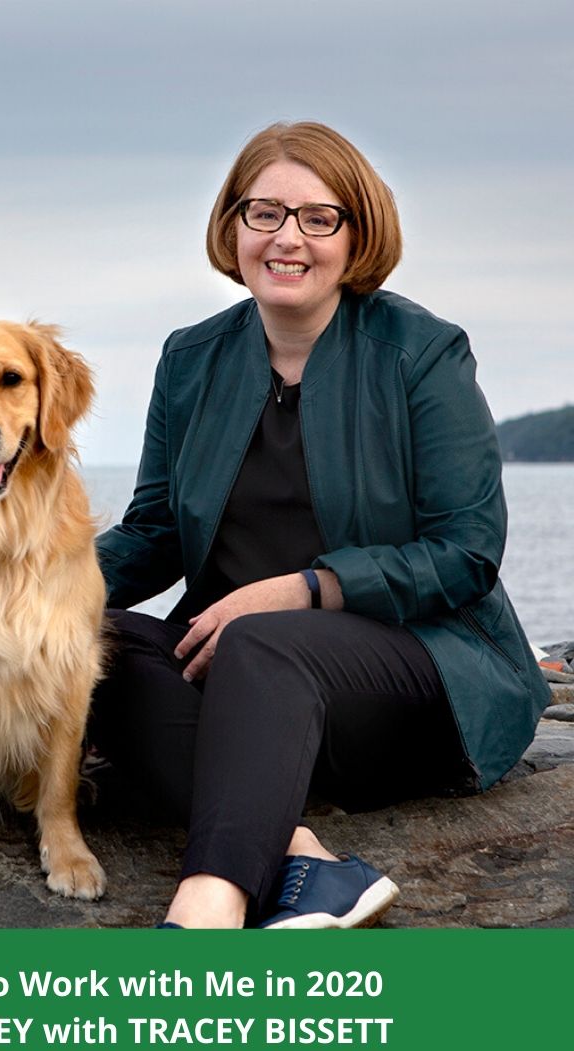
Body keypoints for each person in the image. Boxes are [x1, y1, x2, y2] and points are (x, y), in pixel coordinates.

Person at [92, 121, 551, 929]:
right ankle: (302, 856)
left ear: (357, 232)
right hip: (241, 687)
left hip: (421, 673)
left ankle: (211, 905)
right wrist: (12, 588)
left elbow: (466, 553)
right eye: (264, 213)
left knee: (259, 639)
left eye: (317, 218)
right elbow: (154, 530)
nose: (287, 239)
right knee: (83, 640)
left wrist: (306, 589)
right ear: (232, 226)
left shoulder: (422, 354)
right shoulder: (190, 358)